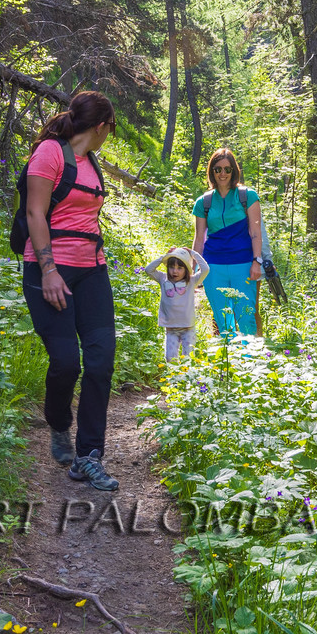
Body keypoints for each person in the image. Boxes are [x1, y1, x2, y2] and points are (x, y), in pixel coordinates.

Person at [21, 90, 119, 492]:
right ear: (100, 127)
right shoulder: (48, 153)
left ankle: (89, 456)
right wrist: (49, 271)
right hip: (48, 270)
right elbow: (34, 213)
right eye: (111, 129)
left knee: (101, 360)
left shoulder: (92, 163)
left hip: (92, 272)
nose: (109, 135)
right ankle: (59, 424)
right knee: (66, 363)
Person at [193, 148, 263, 337]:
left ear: (234, 171)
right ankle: (228, 363)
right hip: (213, 267)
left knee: (246, 317)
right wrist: (193, 271)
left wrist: (257, 262)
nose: (222, 174)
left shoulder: (248, 196)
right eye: (218, 169)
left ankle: (251, 362)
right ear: (211, 171)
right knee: (224, 321)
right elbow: (199, 239)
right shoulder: (203, 202)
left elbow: (256, 233)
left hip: (243, 264)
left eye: (227, 169)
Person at [136, 247, 209, 361]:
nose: (175, 271)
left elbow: (205, 269)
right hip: (171, 328)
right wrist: (164, 257)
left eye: (180, 268)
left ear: (186, 269)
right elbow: (148, 270)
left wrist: (193, 253)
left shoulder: (191, 281)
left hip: (188, 328)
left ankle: (187, 378)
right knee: (170, 359)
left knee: (188, 359)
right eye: (171, 267)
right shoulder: (162, 278)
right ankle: (174, 378)